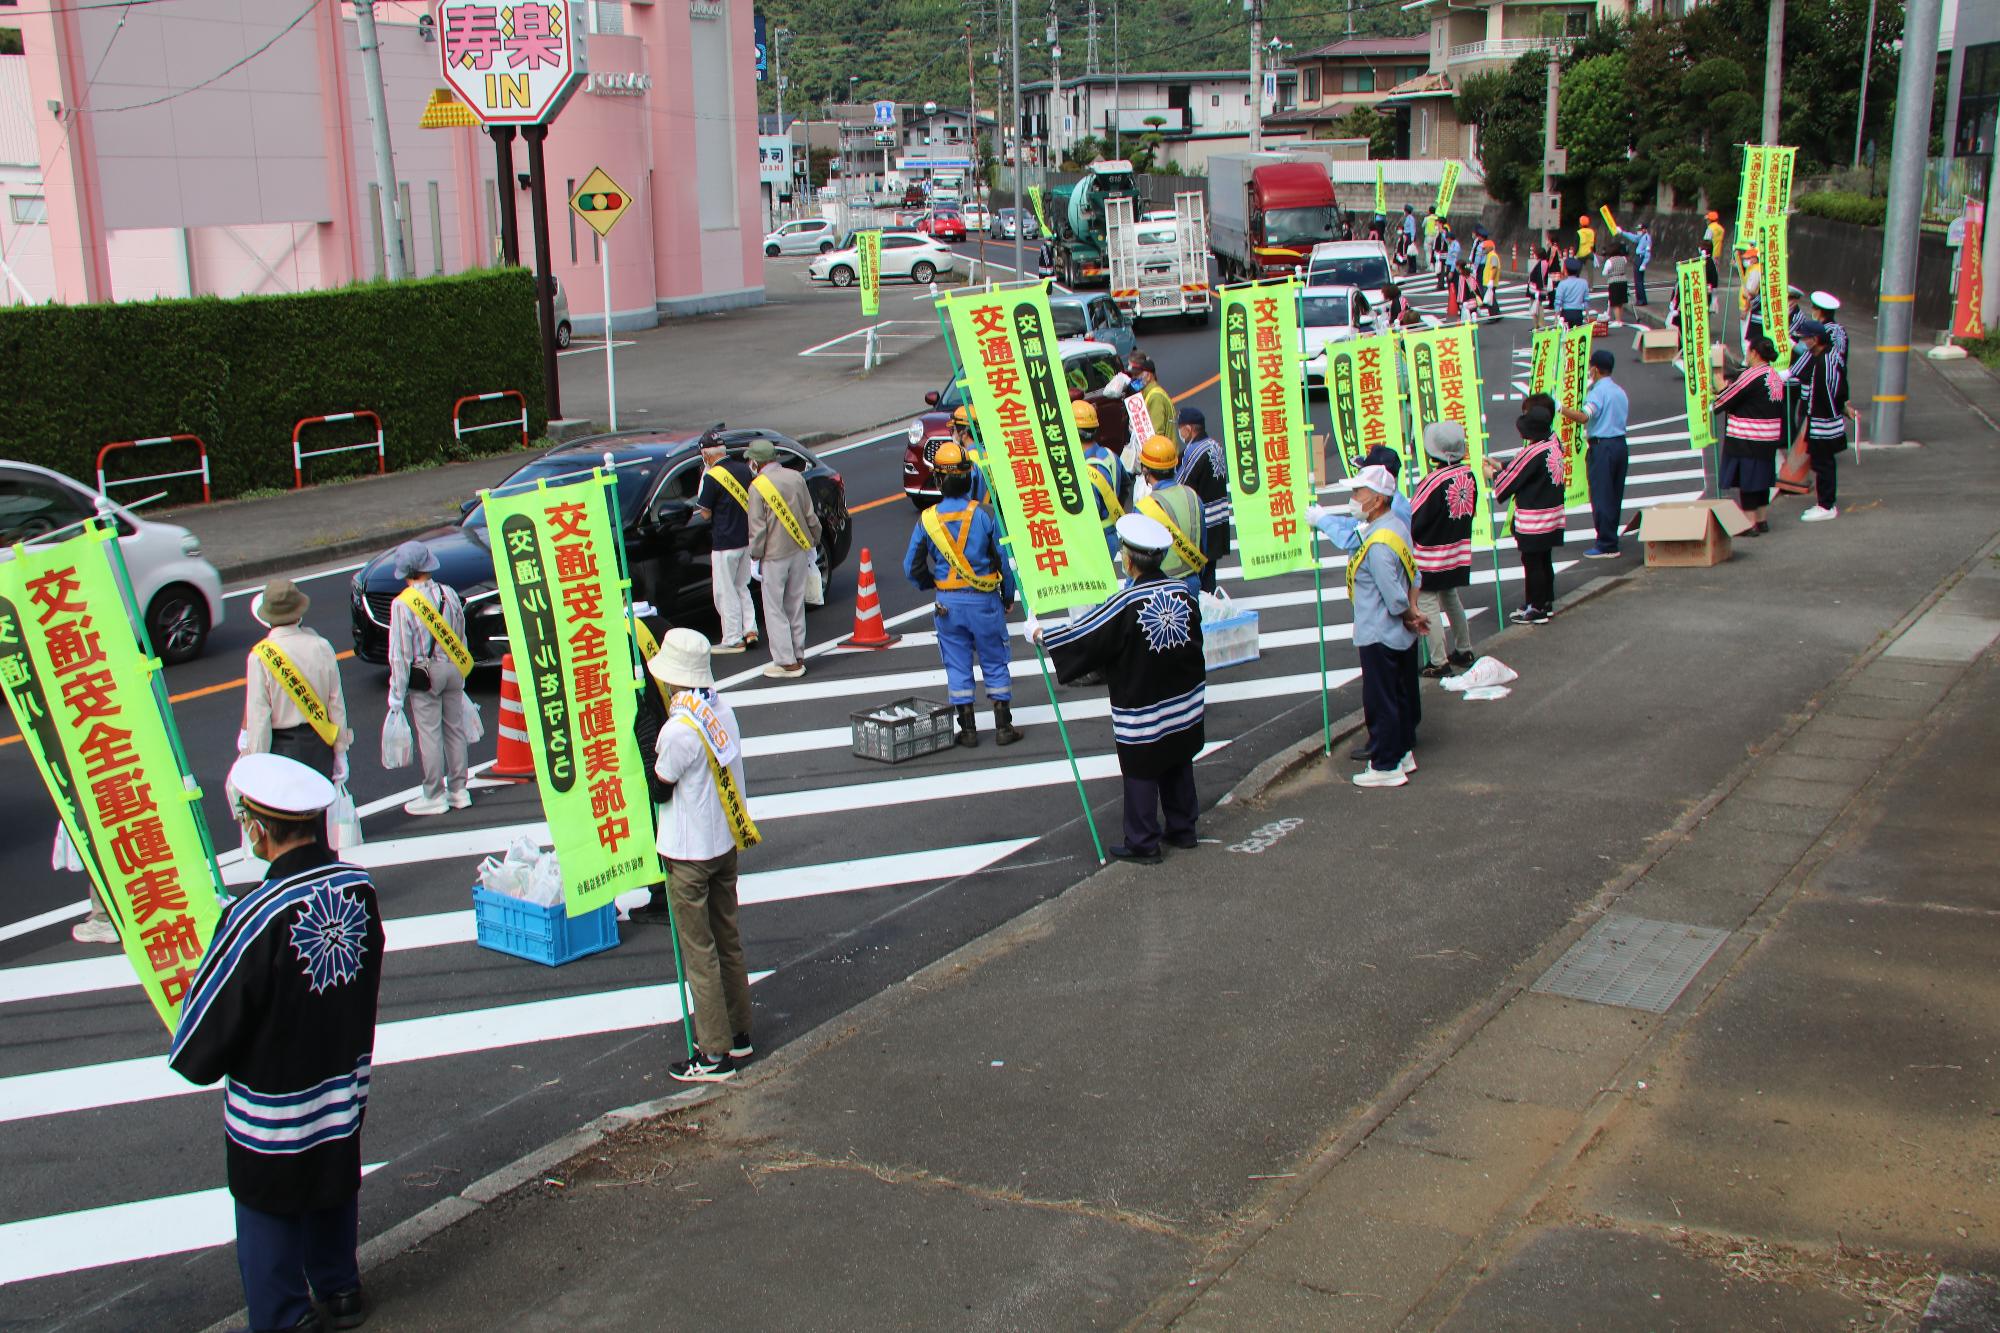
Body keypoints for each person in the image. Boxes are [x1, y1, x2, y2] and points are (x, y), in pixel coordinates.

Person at [170, 753, 384, 1333]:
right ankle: (340, 1289)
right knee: (333, 1173)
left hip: (273, 1096)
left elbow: (206, 1028)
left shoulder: (254, 914)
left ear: (259, 828)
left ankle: (286, 1316)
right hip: (342, 1077)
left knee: (268, 1202)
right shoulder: (357, 888)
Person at [1035, 514, 1205, 864]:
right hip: (1184, 699)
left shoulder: (1125, 604)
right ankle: (1183, 829)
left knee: (1142, 768)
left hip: (1143, 704)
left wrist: (1040, 636)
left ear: (1129, 560)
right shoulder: (1182, 592)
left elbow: (1086, 636)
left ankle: (1144, 842)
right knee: (1178, 759)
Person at [647, 628, 759, 1084]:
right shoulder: (721, 712)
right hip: (723, 845)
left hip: (689, 853)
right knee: (727, 939)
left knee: (700, 952)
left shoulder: (678, 730)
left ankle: (713, 1054)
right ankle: (739, 1032)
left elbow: (660, 784)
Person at [903, 439, 1023, 747]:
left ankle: (968, 730)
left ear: (940, 481)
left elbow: (911, 567)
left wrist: (931, 583)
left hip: (947, 604)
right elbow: (1003, 562)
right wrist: (1007, 595)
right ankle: (1003, 727)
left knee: (956, 664)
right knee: (994, 661)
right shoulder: (983, 515)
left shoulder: (927, 520)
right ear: (969, 478)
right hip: (984, 602)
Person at [1341, 465, 1427, 789]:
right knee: (1400, 694)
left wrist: (1409, 614)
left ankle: (1386, 764)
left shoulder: (1378, 543)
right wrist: (1414, 612)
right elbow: (1414, 575)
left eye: (1357, 493)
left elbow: (1392, 597)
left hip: (1379, 630)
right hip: (1399, 634)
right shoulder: (1397, 527)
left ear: (1377, 499)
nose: (1352, 499)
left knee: (1381, 700)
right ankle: (1402, 752)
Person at [387, 540, 470, 817]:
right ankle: (460, 789)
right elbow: (460, 632)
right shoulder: (448, 593)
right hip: (454, 668)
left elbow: (400, 653)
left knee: (430, 734)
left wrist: (396, 696)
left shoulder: (403, 604)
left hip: (426, 672)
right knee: (455, 729)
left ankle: (434, 793)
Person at [241, 579, 351, 785]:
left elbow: (259, 718)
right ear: (299, 612)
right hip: (321, 742)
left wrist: (257, 761)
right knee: (322, 809)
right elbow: (336, 705)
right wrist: (341, 750)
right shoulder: (321, 645)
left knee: (290, 814)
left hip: (283, 748)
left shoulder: (260, 657)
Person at [745, 436, 822, 679]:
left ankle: (786, 662)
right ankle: (798, 654)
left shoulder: (758, 487)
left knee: (774, 608)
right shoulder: (795, 477)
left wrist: (754, 556)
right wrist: (814, 540)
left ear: (757, 463)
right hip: (799, 550)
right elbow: (810, 515)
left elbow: (758, 529)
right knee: (795, 604)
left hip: (773, 555)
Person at [1487, 394, 1566, 624]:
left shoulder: (1533, 452)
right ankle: (1544, 601)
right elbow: (1522, 469)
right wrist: (1500, 465)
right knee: (1543, 560)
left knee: (1532, 563)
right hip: (1552, 514)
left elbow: (1510, 480)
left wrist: (1492, 473)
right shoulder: (1552, 442)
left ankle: (1536, 607)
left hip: (1535, 518)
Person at [1409, 422, 1479, 677]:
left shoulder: (1433, 481)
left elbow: (1415, 516)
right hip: (1457, 551)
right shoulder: (1468, 475)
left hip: (1431, 554)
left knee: (1427, 602)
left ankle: (1438, 660)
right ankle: (1464, 648)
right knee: (1450, 597)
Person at [691, 429, 759, 654]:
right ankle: (750, 629)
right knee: (742, 586)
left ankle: (732, 638)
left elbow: (705, 513)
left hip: (724, 543)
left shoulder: (712, 476)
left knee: (724, 590)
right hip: (745, 538)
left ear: (707, 455)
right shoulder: (743, 469)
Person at [1713, 335, 1787, 534]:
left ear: (1755, 353)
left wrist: (1720, 388)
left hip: (1748, 436)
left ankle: (1749, 522)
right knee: (1762, 479)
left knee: (1749, 481)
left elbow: (1727, 398)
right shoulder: (1775, 376)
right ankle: (1761, 519)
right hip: (1769, 436)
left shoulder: (1752, 375)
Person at [1560, 349, 1630, 558]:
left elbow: (1584, 417)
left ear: (1596, 369)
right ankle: (1611, 537)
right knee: (1614, 494)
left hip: (1602, 448)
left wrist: (1560, 408)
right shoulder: (1619, 391)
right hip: (1620, 446)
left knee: (1601, 495)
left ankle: (1606, 544)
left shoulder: (1598, 392)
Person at [1791, 320, 1854, 522]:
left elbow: (1833, 392)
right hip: (1820, 418)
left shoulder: (1827, 360)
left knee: (1824, 463)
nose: (1803, 342)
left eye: (1805, 338)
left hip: (1825, 421)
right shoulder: (1821, 357)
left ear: (1815, 339)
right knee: (1820, 462)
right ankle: (1824, 502)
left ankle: (1827, 505)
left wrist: (1837, 409)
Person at [1134, 435, 1207, 594]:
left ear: (1146, 470)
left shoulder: (1145, 508)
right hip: (1191, 583)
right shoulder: (1193, 496)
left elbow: (1136, 562)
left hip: (1160, 591)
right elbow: (1203, 545)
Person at [1174, 407, 1232, 592]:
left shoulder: (1194, 451)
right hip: (1219, 517)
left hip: (1203, 521)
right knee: (1210, 571)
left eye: (1180, 427)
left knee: (1198, 573)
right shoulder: (1215, 445)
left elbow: (1180, 483)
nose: (1179, 432)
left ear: (1189, 429)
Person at [1077, 399, 1126, 557]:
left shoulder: (1084, 468)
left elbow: (1089, 513)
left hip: (1095, 540)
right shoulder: (1110, 455)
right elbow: (1125, 485)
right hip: (1111, 534)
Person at [1126, 354, 1175, 439]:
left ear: (1148, 375)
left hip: (1162, 451)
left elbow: (1156, 434)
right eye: (1132, 375)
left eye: (1136, 374)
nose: (1134, 378)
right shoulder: (1146, 394)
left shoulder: (1155, 397)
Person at [1617, 220, 1653, 306]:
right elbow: (1633, 237)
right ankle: (1641, 299)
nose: (1638, 231)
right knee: (1637, 280)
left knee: (1639, 281)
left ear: (1644, 229)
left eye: (1640, 229)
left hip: (1641, 258)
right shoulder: (1641, 237)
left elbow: (1648, 253)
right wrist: (1622, 232)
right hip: (1638, 258)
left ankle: (1641, 300)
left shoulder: (1647, 238)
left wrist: (1644, 264)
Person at [1553, 257, 1592, 328]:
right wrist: (1587, 315)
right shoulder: (1584, 283)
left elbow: (1558, 302)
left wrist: (1556, 318)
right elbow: (1586, 300)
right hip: (1578, 314)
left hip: (1566, 313)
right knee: (1577, 335)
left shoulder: (1562, 284)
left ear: (1566, 271)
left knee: (1565, 336)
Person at [1601, 244, 1631, 328]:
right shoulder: (1623, 259)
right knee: (1620, 302)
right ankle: (1619, 319)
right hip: (1623, 280)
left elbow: (1604, 272)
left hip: (1614, 281)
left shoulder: (1610, 261)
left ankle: (1618, 321)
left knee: (1614, 302)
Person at [1526, 245, 1552, 325]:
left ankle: (1538, 326)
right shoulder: (1545, 263)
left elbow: (1539, 277)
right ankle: (1538, 325)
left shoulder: (1542, 264)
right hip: (1539, 289)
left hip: (1536, 289)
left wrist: (1538, 289)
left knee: (1535, 307)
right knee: (1537, 307)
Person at [1481, 239, 1502, 318]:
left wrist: (1491, 280)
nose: (1483, 250)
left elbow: (1494, 268)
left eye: (1484, 248)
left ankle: (1494, 316)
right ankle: (1496, 314)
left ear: (1490, 247)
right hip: (1488, 282)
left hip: (1490, 282)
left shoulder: (1492, 256)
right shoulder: (1490, 255)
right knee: (1491, 299)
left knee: (1491, 300)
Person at [1400, 204, 1419, 272]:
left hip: (1409, 236)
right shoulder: (1407, 218)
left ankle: (1413, 268)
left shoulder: (1411, 218)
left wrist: (1412, 239)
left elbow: (1412, 229)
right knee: (1408, 252)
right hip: (1407, 236)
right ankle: (1411, 267)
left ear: (1407, 211)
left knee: (1411, 252)